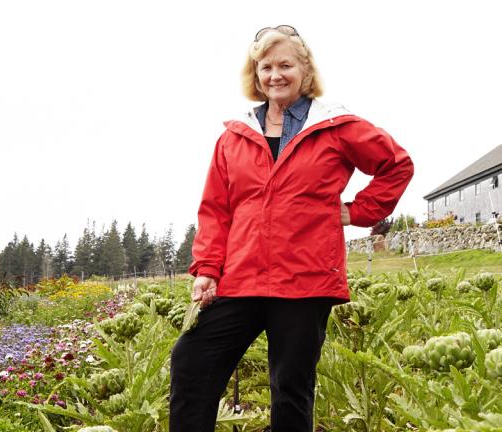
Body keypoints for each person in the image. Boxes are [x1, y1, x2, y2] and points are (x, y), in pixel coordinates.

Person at [169, 25, 414, 431]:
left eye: (285, 65)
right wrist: (208, 269)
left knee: (291, 387)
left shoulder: (336, 125)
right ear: (255, 74)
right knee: (191, 361)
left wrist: (359, 211)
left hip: (305, 279)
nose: (275, 75)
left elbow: (396, 165)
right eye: (266, 67)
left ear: (305, 70)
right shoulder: (233, 137)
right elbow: (215, 209)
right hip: (241, 277)